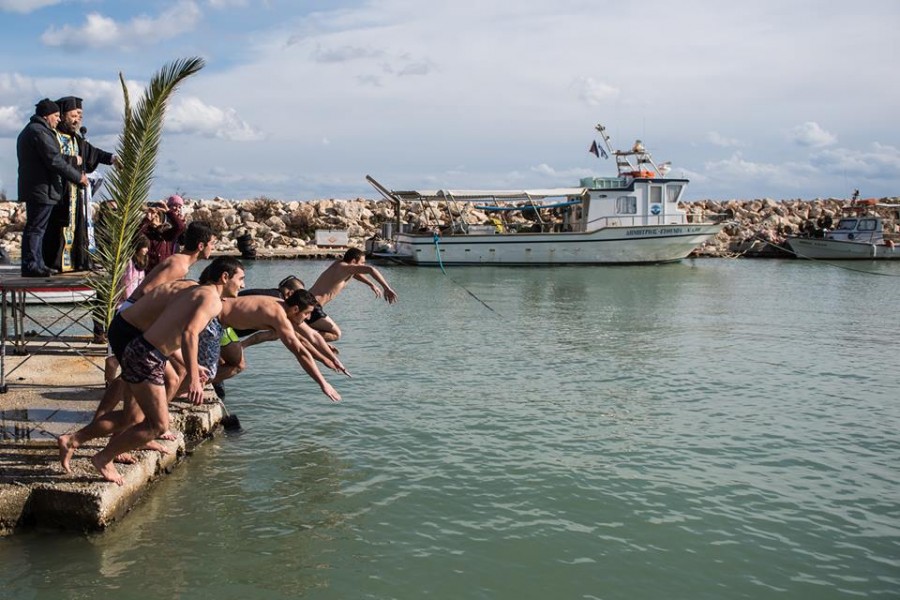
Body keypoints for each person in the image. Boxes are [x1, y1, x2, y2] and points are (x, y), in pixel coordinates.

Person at [59, 257, 245, 485]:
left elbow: (169, 330)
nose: (243, 285)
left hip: (144, 351)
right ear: (225, 277)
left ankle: (72, 440)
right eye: (240, 279)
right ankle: (103, 458)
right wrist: (195, 381)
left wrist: (192, 365)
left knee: (133, 417)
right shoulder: (212, 300)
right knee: (158, 424)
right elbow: (189, 333)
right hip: (146, 356)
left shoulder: (193, 291)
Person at [216, 290, 342, 403]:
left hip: (224, 326)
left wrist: (333, 359)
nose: (308, 317)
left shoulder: (284, 306)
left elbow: (313, 335)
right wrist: (323, 384)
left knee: (237, 364)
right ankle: (198, 383)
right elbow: (300, 351)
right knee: (237, 365)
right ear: (296, 309)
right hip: (213, 320)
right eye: (307, 313)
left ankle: (203, 381)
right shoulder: (279, 316)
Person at [44, 96, 116, 272]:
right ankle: (55, 264)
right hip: (58, 191)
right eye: (74, 115)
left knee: (77, 227)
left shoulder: (77, 139)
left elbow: (94, 153)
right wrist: (73, 160)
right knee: (58, 229)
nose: (77, 120)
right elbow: (52, 160)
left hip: (76, 193)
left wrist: (112, 159)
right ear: (63, 115)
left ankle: (77, 261)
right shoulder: (52, 136)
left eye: (80, 116)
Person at [16, 98, 87, 277]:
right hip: (42, 188)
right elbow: (53, 160)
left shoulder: (36, 130)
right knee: (36, 228)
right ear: (46, 116)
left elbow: (54, 156)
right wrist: (78, 177)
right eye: (56, 116)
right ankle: (32, 265)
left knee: (37, 228)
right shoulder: (39, 132)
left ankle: (37, 264)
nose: (58, 119)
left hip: (40, 188)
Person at [307, 247, 398, 340]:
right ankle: (305, 337)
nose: (363, 265)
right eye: (362, 263)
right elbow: (371, 269)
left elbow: (355, 273)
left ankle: (308, 337)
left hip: (307, 299)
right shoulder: (345, 267)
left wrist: (371, 284)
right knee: (336, 334)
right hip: (312, 305)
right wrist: (386, 288)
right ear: (354, 261)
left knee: (316, 331)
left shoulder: (339, 264)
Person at [124, 220, 216, 307]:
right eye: (212, 243)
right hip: (131, 313)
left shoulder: (180, 261)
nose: (213, 247)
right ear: (201, 246)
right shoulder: (179, 265)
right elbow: (147, 291)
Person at [140, 195, 186, 272]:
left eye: (157, 215)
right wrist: (146, 221)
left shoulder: (164, 233)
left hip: (165, 273)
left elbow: (180, 227)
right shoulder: (145, 232)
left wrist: (168, 212)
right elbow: (137, 235)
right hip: (149, 274)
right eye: (153, 214)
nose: (154, 216)